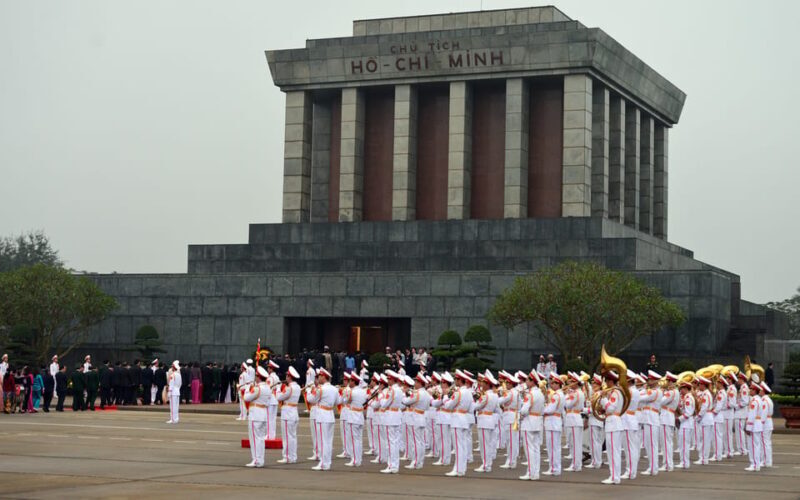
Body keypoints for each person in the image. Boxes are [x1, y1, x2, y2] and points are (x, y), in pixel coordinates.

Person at [308, 367, 339, 471]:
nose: (318, 378)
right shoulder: (334, 389)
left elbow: (310, 399)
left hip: (322, 416)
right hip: (330, 414)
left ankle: (323, 463)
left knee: (322, 441)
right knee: (328, 441)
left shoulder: (320, 389)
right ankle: (327, 462)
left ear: (324, 377)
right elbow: (337, 402)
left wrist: (309, 391)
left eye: (320, 376)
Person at [243, 365, 274, 468]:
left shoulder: (257, 388)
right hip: (263, 414)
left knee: (254, 439)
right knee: (260, 439)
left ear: (259, 377)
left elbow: (246, 398)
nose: (255, 378)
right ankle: (260, 460)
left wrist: (248, 388)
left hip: (255, 414)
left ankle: (256, 460)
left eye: (256, 376)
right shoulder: (268, 388)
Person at [518, 370, 545, 480]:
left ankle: (530, 473)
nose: (526, 382)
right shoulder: (540, 393)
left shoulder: (530, 394)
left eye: (527, 380)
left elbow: (524, 410)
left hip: (529, 422)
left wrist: (520, 414)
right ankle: (536, 472)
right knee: (535, 449)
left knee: (529, 449)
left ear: (532, 381)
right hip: (537, 421)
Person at [473, 372, 499, 473]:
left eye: (484, 383)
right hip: (490, 420)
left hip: (484, 420)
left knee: (484, 445)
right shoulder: (495, 395)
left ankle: (485, 465)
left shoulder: (486, 396)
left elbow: (477, 406)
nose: (482, 385)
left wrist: (474, 400)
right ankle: (488, 464)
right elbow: (497, 409)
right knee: (487, 444)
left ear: (488, 385)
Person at [276, 366, 302, 464]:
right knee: (293, 436)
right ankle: (293, 456)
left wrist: (278, 389)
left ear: (289, 377)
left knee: (287, 437)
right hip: (294, 412)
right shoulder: (297, 387)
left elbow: (279, 397)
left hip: (287, 413)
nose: (286, 377)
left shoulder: (289, 388)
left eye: (287, 375)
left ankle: (287, 457)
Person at [542, 372, 564, 477]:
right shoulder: (560, 394)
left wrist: (542, 409)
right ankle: (555, 468)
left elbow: (550, 409)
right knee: (555, 447)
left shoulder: (556, 395)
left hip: (552, 422)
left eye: (554, 383)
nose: (551, 384)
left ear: (558, 384)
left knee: (552, 447)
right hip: (555, 422)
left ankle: (553, 468)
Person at [563, 371, 585, 472]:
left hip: (573, 419)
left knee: (575, 443)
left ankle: (576, 465)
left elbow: (567, 405)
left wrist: (566, 395)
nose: (570, 383)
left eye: (572, 382)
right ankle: (576, 464)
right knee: (574, 443)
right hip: (574, 418)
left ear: (576, 383)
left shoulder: (576, 393)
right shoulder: (577, 392)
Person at [676, 379, 695, 469]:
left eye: (681, 389)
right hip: (687, 424)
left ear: (685, 388)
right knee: (683, 444)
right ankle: (684, 462)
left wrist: (678, 419)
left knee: (683, 444)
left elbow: (688, 413)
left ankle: (684, 462)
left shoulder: (688, 398)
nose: (680, 391)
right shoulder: (687, 397)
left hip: (686, 424)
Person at [266, 360, 281, 439]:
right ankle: (272, 435)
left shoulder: (270, 377)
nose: (268, 369)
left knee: (269, 418)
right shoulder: (276, 377)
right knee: (273, 419)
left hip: (270, 398)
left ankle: (269, 435)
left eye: (268, 368)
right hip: (275, 399)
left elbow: (268, 389)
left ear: (271, 369)